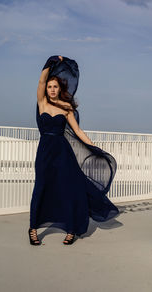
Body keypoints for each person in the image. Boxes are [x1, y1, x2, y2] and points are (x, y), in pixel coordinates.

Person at [28, 55, 119, 246]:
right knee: (41, 188)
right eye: (49, 86)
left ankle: (71, 229)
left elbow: (77, 131)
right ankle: (33, 229)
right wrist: (50, 61)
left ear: (60, 89)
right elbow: (41, 79)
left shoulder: (66, 107)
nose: (51, 89)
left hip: (63, 153)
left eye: (55, 87)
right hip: (45, 152)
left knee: (69, 189)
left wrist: (93, 148)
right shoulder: (42, 102)